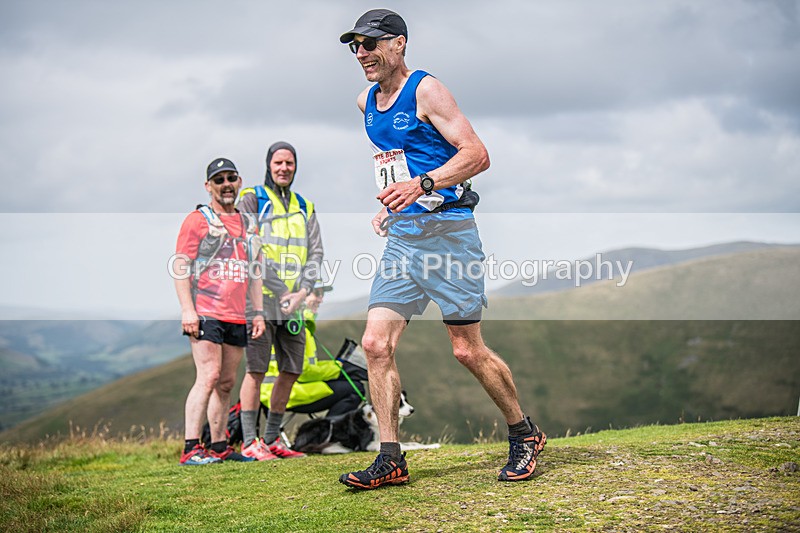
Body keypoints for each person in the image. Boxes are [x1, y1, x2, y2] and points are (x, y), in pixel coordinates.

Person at [337, 9, 546, 488]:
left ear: (399, 44)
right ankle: (391, 458)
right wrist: (394, 204)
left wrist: (424, 184)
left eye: (370, 43)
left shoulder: (427, 90)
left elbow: (477, 154)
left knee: (466, 351)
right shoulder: (365, 100)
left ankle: (524, 433)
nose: (362, 54)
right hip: (404, 239)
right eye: (356, 46)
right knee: (374, 344)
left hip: (450, 235)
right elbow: (396, 159)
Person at [174, 157, 275, 465]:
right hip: (204, 310)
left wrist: (257, 312)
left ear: (239, 181)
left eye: (231, 178)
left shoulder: (247, 224)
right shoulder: (198, 220)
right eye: (219, 180)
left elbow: (254, 272)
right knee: (208, 375)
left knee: (227, 382)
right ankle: (191, 448)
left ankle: (218, 446)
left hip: (236, 314)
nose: (226, 184)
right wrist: (187, 310)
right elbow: (180, 266)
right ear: (209, 187)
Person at [236, 141, 324, 460]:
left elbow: (316, 252)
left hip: (294, 302)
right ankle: (249, 442)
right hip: (260, 299)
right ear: (268, 165)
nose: (284, 168)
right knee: (256, 370)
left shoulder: (305, 205)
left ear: (295, 166)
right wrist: (282, 289)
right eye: (278, 163)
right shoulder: (253, 199)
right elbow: (251, 246)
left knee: (291, 369)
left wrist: (302, 291)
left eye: (289, 163)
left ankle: (272, 439)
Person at [260, 283, 368, 421]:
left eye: (322, 294)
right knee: (355, 389)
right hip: (286, 393)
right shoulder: (295, 327)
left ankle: (327, 435)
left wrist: (337, 366)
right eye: (316, 293)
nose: (321, 299)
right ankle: (328, 437)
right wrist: (340, 368)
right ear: (298, 296)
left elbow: (307, 367)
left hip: (277, 391)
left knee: (351, 384)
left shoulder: (296, 324)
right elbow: (303, 372)